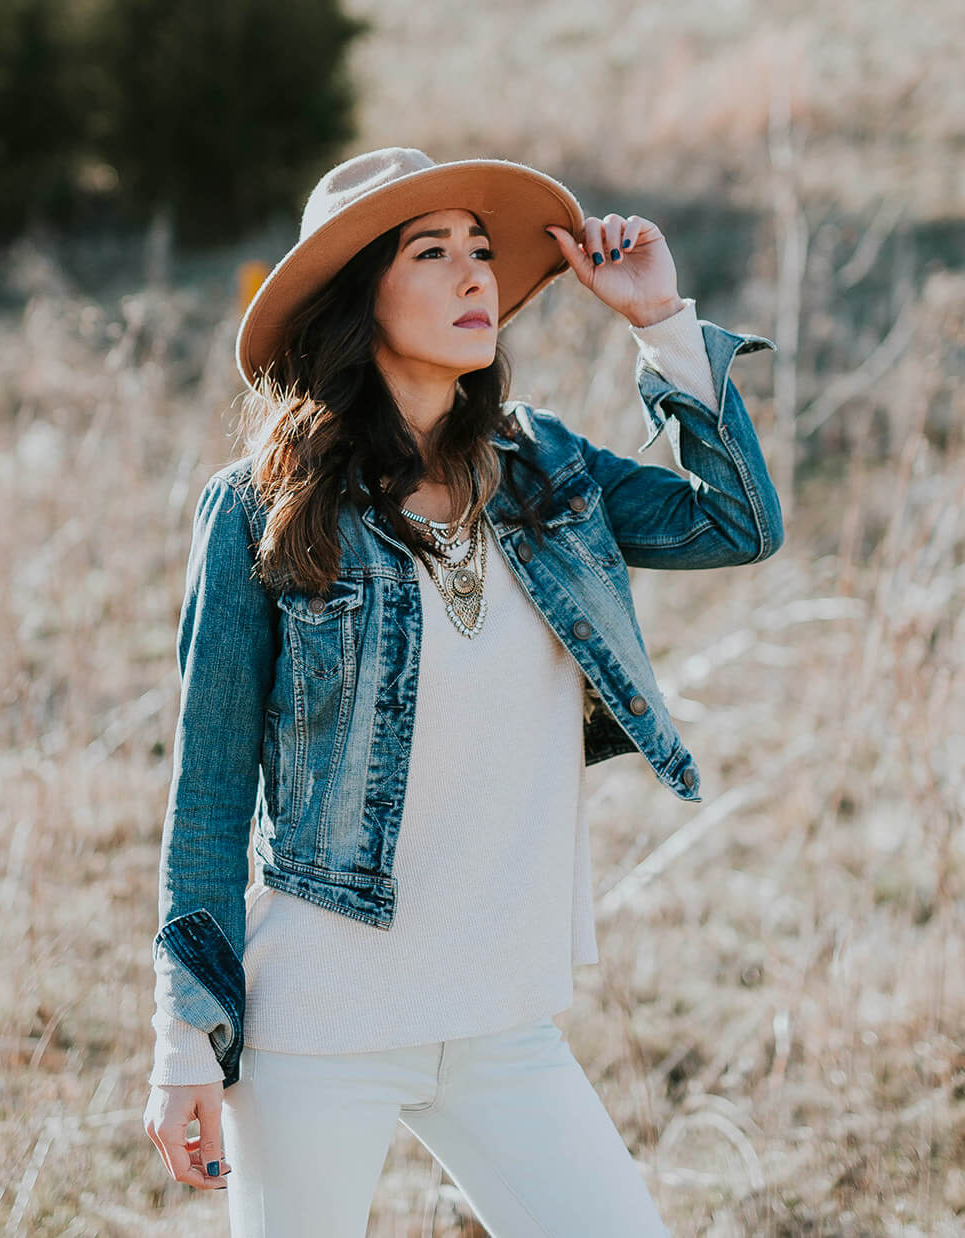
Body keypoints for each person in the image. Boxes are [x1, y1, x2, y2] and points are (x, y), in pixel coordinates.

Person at [143, 146, 784, 1235]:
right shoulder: (260, 510)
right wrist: (183, 1040)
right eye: (430, 252)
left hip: (502, 1017)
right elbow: (205, 790)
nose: (474, 274)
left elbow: (738, 523)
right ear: (358, 293)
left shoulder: (545, 473)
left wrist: (661, 321)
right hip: (319, 1023)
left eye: (481, 251)